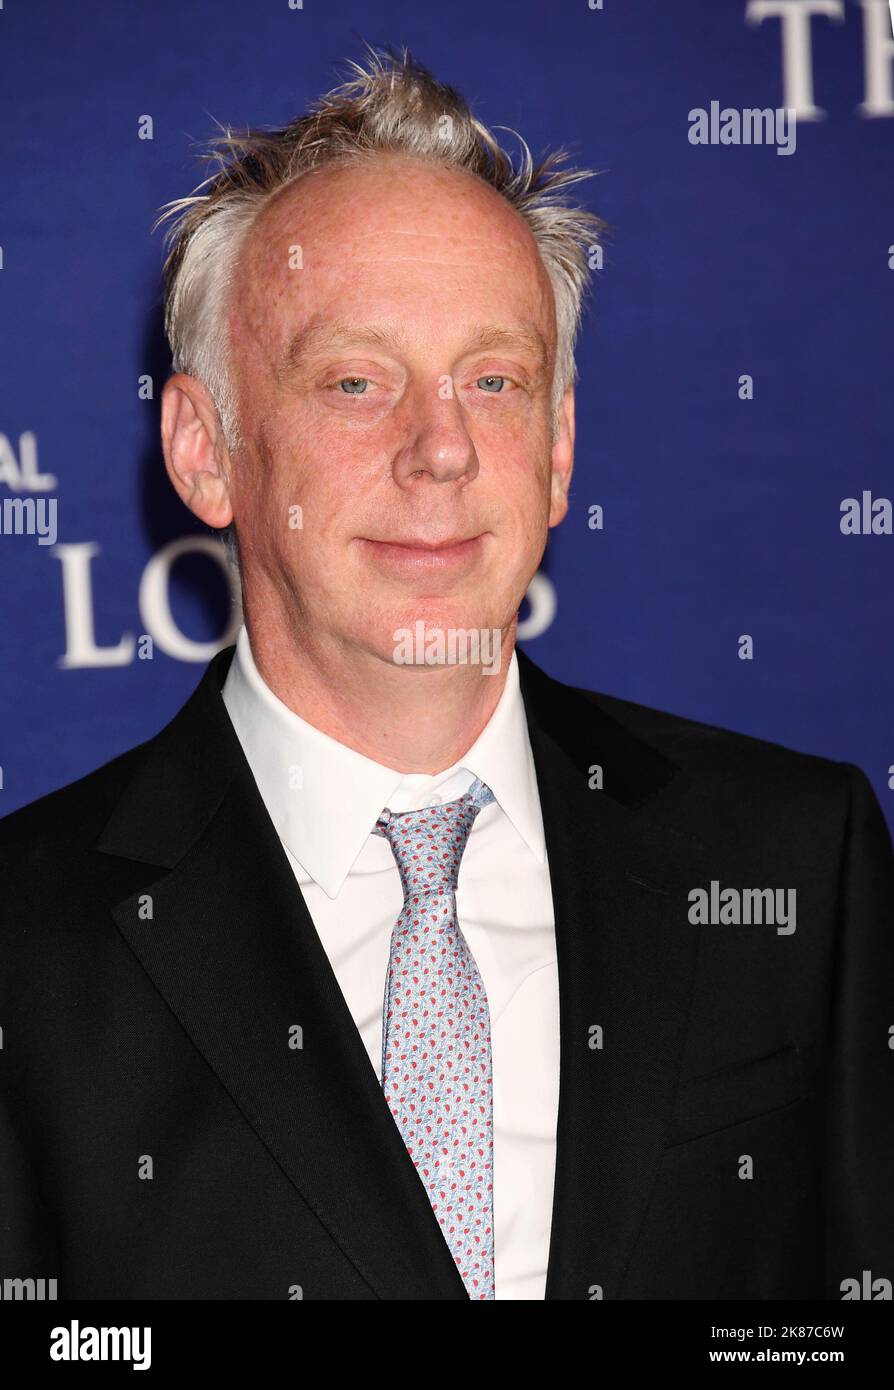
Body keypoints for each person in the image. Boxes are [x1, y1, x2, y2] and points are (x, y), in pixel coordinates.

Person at [1, 46, 892, 1302]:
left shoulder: (795, 861)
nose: (440, 449)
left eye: (494, 380)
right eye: (356, 382)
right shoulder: (26, 947)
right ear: (207, 449)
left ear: (559, 446)